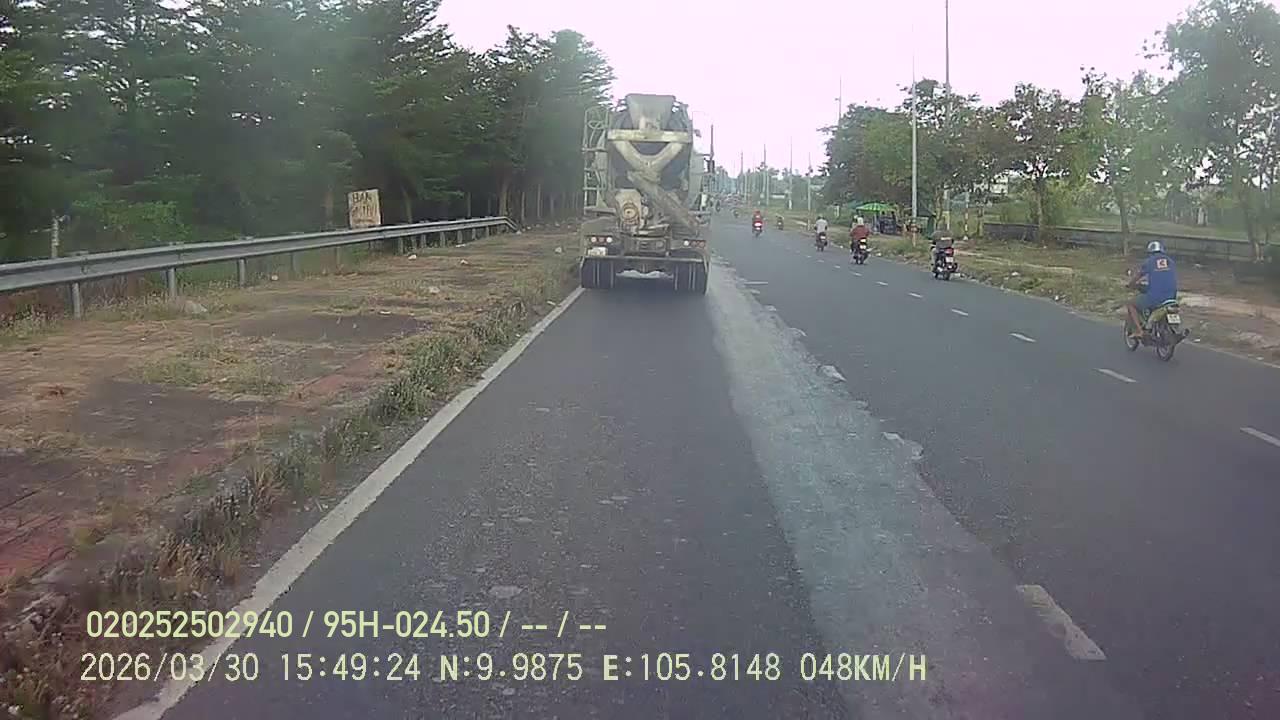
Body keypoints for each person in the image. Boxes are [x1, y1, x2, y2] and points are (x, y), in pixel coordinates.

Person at [1126, 241, 1178, 339]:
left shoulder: (1149, 261)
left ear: (1150, 252)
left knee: (1131, 304)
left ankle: (1139, 331)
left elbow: (1138, 275)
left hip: (1155, 297)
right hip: (1172, 296)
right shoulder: (1170, 261)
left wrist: (1130, 284)